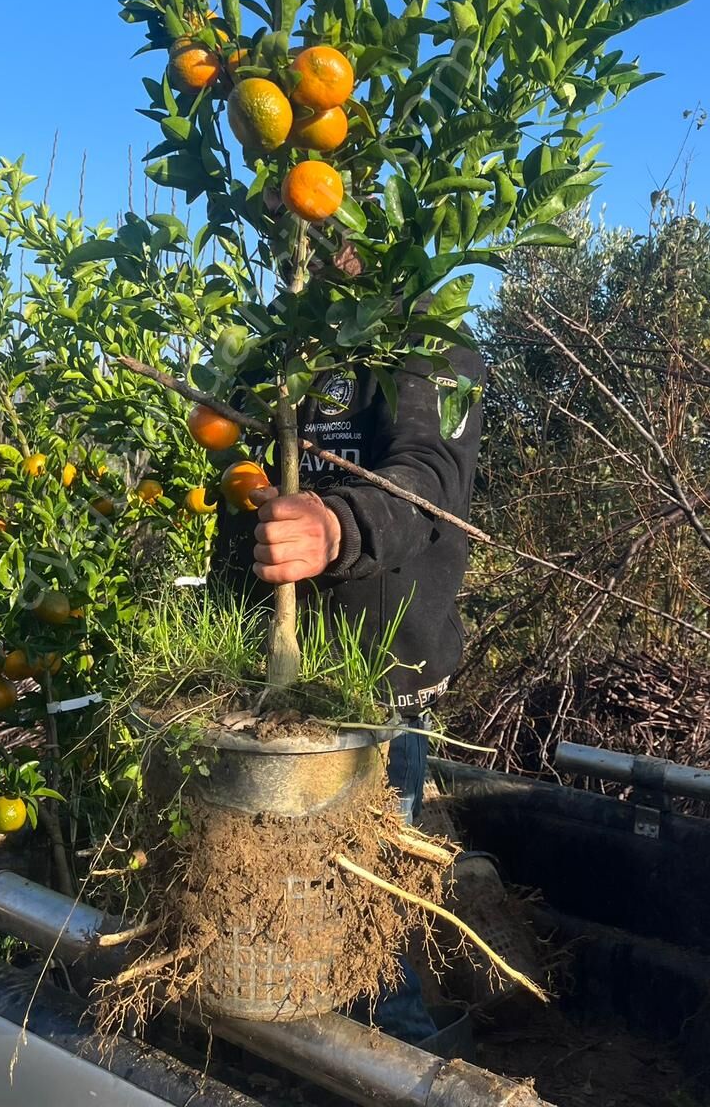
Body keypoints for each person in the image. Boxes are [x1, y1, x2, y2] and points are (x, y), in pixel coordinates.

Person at [213, 336, 485, 1042]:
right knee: (274, 885)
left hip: (381, 686)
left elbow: (429, 475)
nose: (292, 221)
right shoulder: (277, 346)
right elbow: (236, 472)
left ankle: (395, 1046)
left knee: (370, 897)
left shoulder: (430, 342)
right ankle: (290, 1030)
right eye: (274, 212)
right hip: (272, 682)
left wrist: (339, 526)